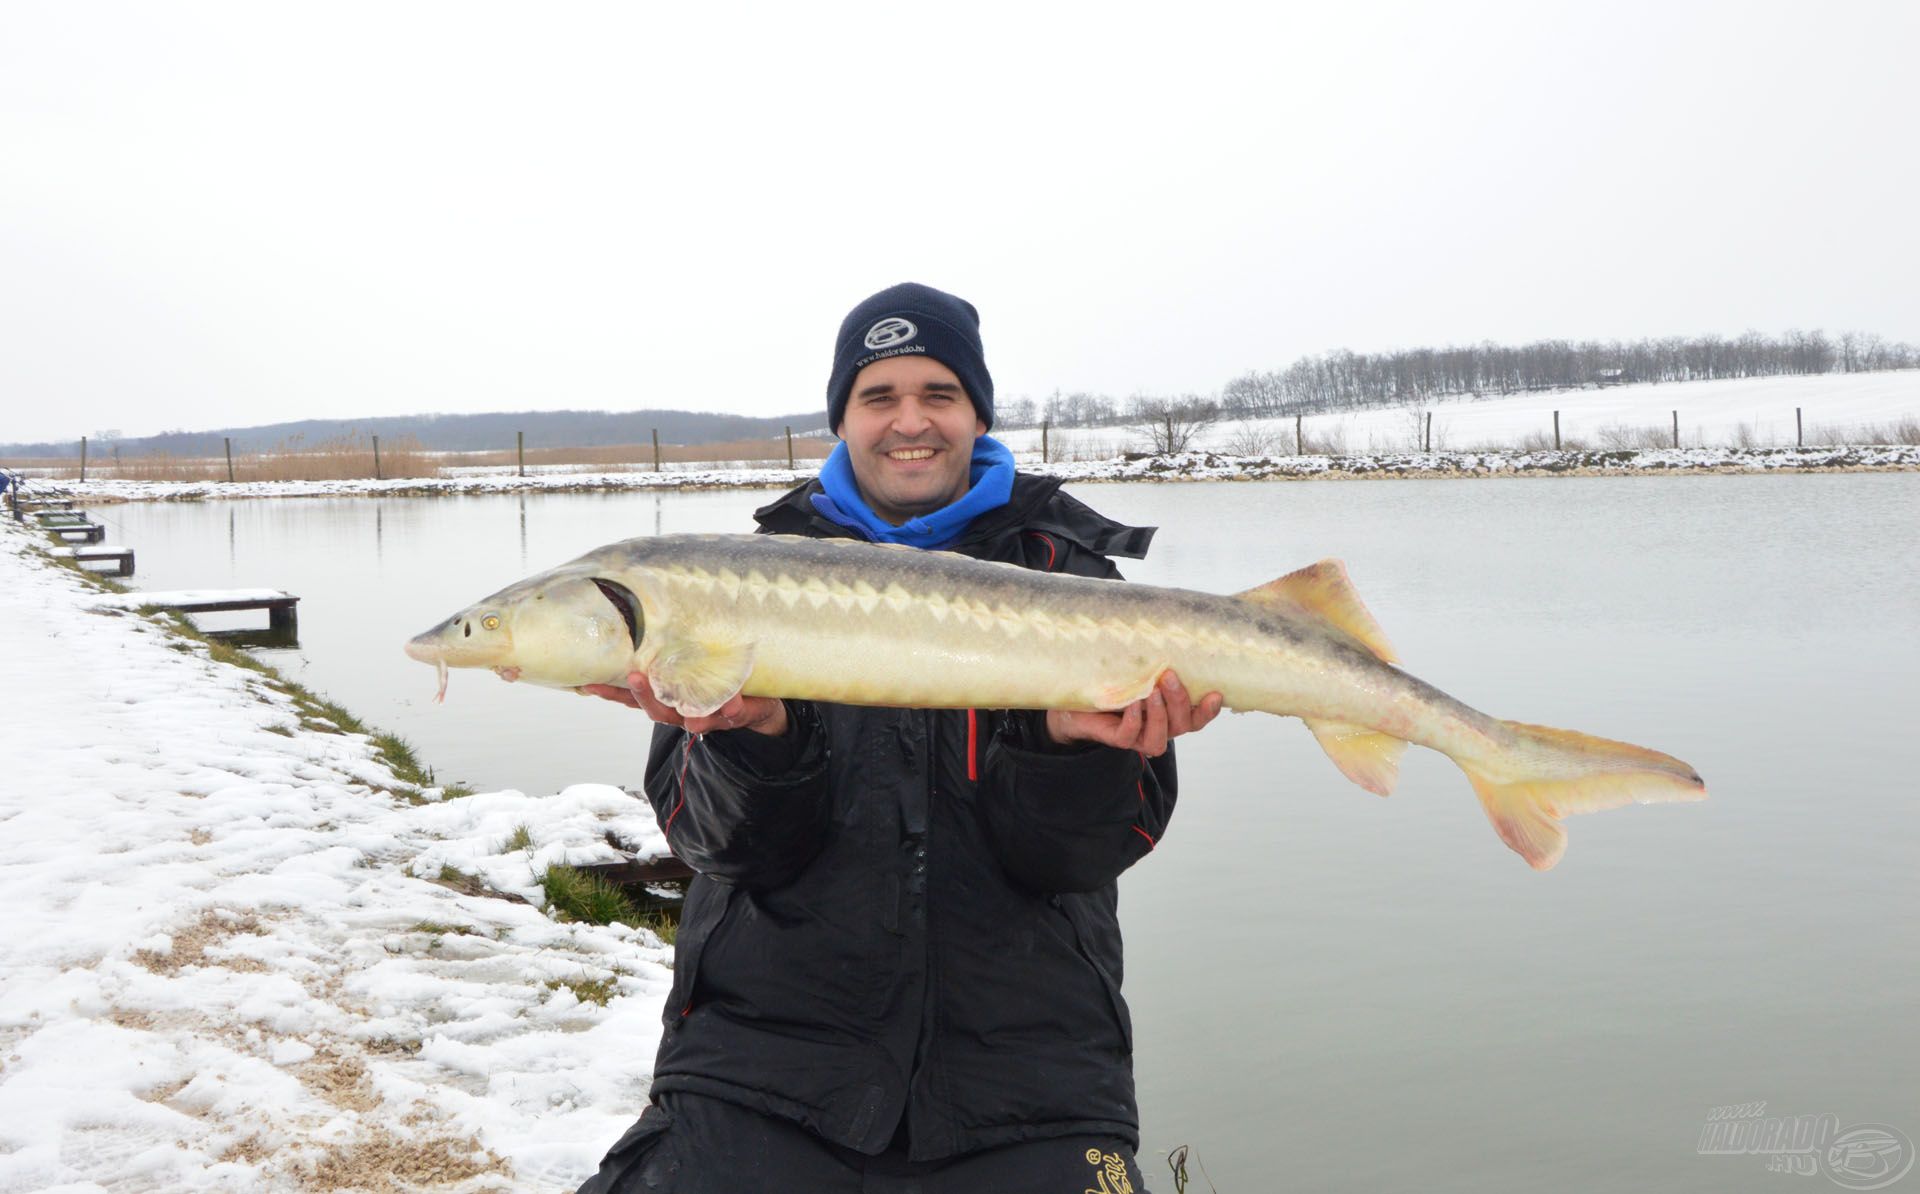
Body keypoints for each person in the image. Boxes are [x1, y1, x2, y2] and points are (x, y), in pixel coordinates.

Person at [576, 283, 1222, 1193]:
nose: (908, 422)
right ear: (841, 418)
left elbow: (1083, 859)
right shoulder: (733, 584)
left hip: (1027, 1085)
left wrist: (1068, 751)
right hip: (766, 1071)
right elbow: (717, 844)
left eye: (939, 395)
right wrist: (753, 740)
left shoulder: (1076, 582)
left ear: (976, 414)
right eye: (878, 397)